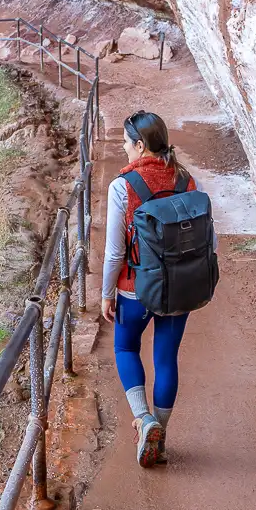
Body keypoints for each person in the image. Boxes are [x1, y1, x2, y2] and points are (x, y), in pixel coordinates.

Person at [101, 110, 200, 467]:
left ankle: (143, 421)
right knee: (165, 358)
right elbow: (210, 239)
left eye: (126, 143)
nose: (124, 149)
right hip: (180, 288)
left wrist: (106, 293)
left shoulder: (122, 186)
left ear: (141, 145)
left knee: (125, 347)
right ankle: (160, 436)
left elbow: (114, 252)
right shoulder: (187, 180)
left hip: (135, 288)